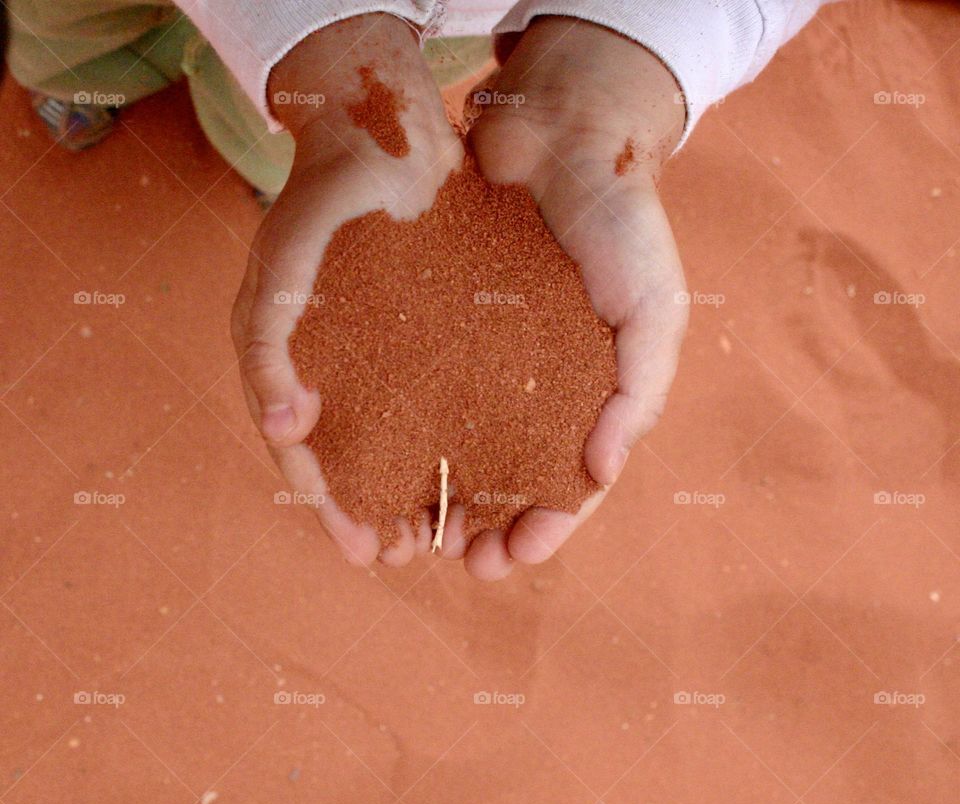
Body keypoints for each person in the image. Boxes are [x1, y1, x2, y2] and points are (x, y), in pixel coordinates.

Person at [6, 1, 832, 579]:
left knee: (284, 126)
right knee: (71, 30)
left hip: (437, 14)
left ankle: (285, 155)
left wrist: (609, 77)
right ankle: (81, 82)